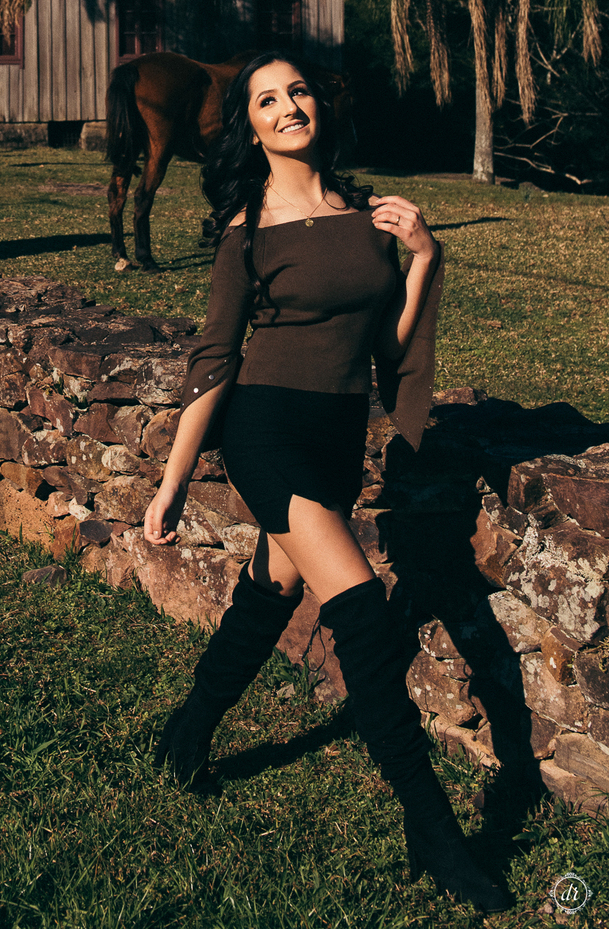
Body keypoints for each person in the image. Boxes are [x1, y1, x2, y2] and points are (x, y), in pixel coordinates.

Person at [143, 50, 507, 915]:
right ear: (252, 124)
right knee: (363, 611)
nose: (286, 106)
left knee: (271, 589)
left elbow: (392, 344)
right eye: (266, 100)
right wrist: (172, 480)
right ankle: (436, 831)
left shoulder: (367, 210)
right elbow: (213, 360)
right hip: (266, 432)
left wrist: (422, 257)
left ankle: (185, 734)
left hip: (339, 436)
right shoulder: (247, 225)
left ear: (316, 104)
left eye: (296, 90)